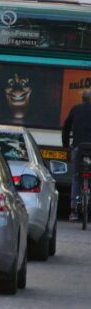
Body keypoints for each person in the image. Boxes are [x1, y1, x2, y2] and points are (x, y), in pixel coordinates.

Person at [62, 90, 91, 221]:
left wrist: (66, 144)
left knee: (76, 177)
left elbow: (66, 127)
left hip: (78, 146)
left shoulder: (76, 109)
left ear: (82, 98)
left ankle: (73, 211)